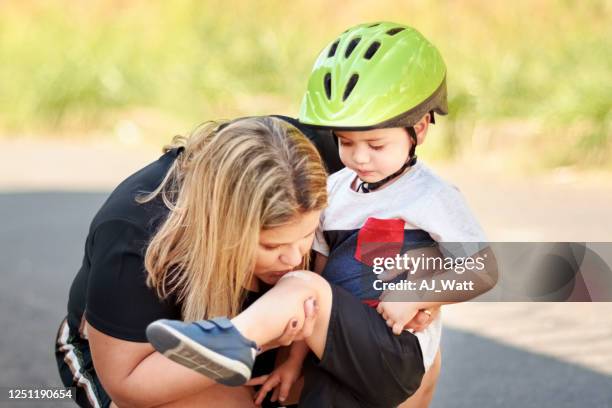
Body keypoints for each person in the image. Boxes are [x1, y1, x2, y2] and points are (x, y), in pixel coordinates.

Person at [147, 22, 496, 408]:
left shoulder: (432, 196)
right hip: (334, 353)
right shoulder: (334, 190)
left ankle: (234, 340)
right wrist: (291, 364)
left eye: (376, 144)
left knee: (299, 283)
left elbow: (483, 270)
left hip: (395, 352)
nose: (359, 157)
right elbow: (317, 283)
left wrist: (417, 294)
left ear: (419, 129)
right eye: (345, 142)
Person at [55, 116, 338, 408]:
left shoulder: (344, 154)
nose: (293, 258)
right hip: (145, 363)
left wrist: (391, 296)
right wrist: (258, 333)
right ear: (219, 225)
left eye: (307, 234)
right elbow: (127, 385)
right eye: (271, 245)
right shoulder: (134, 233)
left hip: (270, 357)